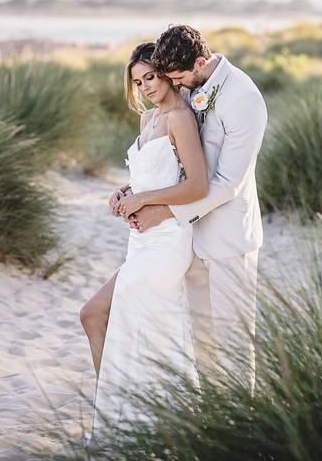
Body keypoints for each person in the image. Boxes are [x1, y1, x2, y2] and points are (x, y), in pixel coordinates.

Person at [127, 24, 268, 392]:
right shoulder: (190, 85)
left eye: (178, 79)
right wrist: (135, 188)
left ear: (201, 62)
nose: (177, 87)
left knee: (235, 345)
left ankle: (242, 430)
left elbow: (227, 183)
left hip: (228, 239)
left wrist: (161, 211)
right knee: (202, 341)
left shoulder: (244, 99)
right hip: (189, 240)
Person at [79, 41, 208, 440]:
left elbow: (197, 186)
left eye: (150, 76)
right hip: (140, 242)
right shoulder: (147, 120)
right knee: (134, 329)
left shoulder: (180, 119)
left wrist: (144, 198)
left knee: (95, 314)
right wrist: (124, 192)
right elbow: (152, 177)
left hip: (167, 240)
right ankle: (126, 422)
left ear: (166, 73)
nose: (146, 86)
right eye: (138, 81)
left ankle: (128, 426)